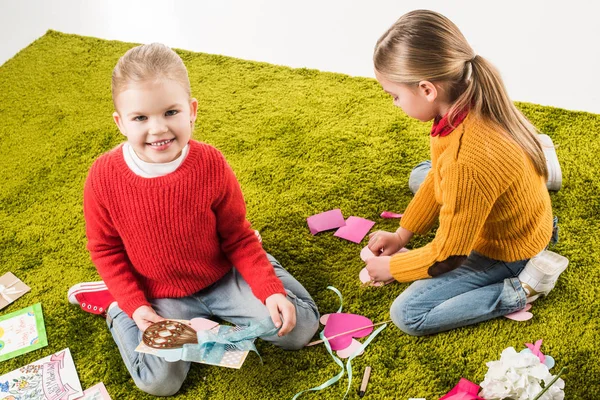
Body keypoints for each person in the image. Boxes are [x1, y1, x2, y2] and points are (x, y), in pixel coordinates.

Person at [67, 43, 319, 396]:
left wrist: (268, 290)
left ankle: (266, 273)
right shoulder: (103, 176)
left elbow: (238, 236)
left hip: (222, 277)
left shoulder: (211, 163)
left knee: (299, 327)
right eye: (140, 118)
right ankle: (115, 307)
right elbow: (105, 249)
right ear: (120, 122)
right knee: (159, 383)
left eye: (171, 112)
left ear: (192, 111)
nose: (158, 129)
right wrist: (135, 305)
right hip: (159, 294)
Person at [365, 10, 568, 336]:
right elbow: (438, 178)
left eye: (395, 96)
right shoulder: (467, 98)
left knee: (408, 314)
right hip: (516, 202)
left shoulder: (466, 163)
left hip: (509, 251)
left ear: (427, 89)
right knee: (422, 174)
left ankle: (524, 288)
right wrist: (403, 234)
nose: (395, 104)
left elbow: (449, 255)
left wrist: (393, 267)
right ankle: (540, 163)